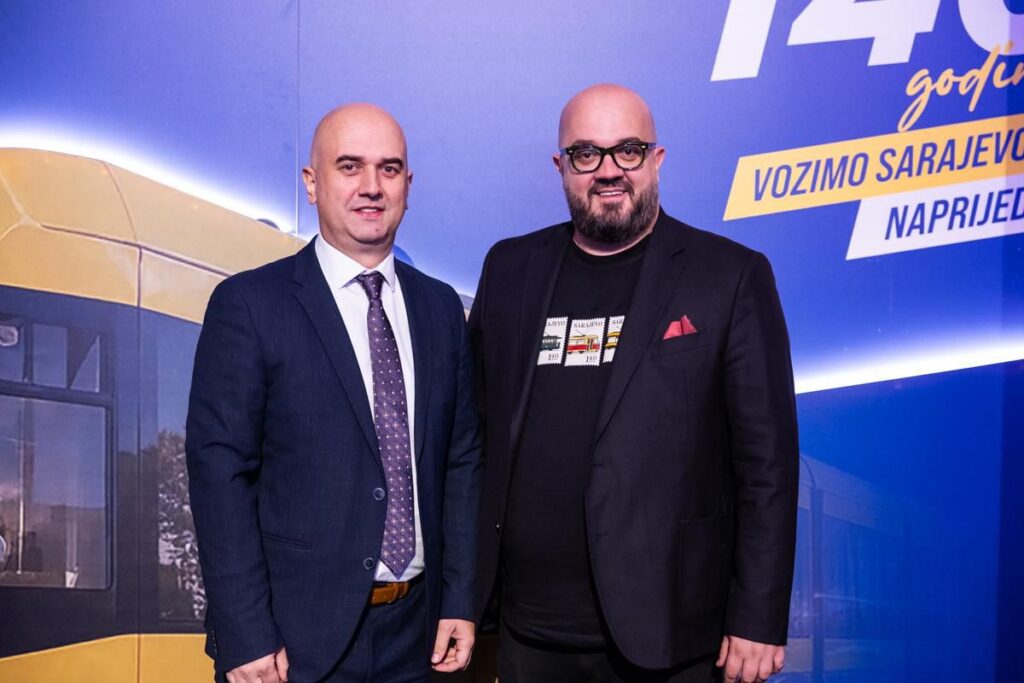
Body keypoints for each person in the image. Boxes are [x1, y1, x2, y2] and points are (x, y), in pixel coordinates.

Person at [469, 84, 799, 683]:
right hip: (526, 632)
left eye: (628, 150)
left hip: (672, 636)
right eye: (586, 154)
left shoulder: (729, 276)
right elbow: (475, 436)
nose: (608, 171)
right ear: (560, 166)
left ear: (657, 158)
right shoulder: (509, 268)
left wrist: (758, 614)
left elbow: (767, 465)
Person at [186, 103, 481, 683]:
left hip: (420, 638)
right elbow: (220, 474)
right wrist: (244, 632)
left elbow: (462, 461)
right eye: (350, 166)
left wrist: (460, 599)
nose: (372, 186)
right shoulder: (249, 305)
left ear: (408, 185)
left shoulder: (441, 308)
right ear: (311, 182)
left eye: (389, 169)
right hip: (291, 645)